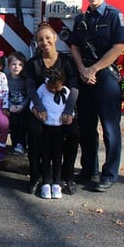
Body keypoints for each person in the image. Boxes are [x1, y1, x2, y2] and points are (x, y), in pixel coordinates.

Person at [70, 0, 124, 192]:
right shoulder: (80, 19)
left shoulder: (114, 15)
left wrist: (94, 68)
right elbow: (74, 47)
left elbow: (118, 47)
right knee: (86, 127)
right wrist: (83, 70)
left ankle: (110, 174)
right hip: (85, 78)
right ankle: (89, 170)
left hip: (106, 79)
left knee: (110, 129)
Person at [24, 22, 80, 196]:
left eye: (48, 38)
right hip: (40, 110)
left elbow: (74, 88)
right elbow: (31, 88)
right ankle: (36, 177)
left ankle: (66, 177)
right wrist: (38, 108)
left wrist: (69, 110)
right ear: (37, 43)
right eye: (40, 40)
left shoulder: (67, 61)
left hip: (64, 108)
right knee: (34, 131)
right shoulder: (34, 63)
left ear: (55, 38)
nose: (45, 42)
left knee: (73, 133)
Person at [30, 68, 69, 199]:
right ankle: (46, 183)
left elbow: (70, 108)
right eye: (51, 88)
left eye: (57, 87)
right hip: (46, 128)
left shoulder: (66, 92)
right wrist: (37, 112)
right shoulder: (42, 89)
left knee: (57, 157)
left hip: (59, 129)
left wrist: (69, 116)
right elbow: (33, 104)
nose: (54, 90)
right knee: (46, 156)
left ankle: (56, 183)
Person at [7, 51, 29, 155]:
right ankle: (15, 144)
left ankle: (22, 144)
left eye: (20, 64)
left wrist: (22, 106)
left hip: (22, 108)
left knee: (23, 123)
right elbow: (3, 94)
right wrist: (9, 106)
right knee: (14, 123)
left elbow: (29, 95)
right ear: (9, 65)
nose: (16, 67)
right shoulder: (5, 79)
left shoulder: (25, 81)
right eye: (14, 64)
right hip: (10, 108)